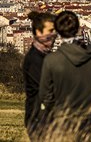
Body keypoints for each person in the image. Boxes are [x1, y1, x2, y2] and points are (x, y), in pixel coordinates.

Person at [39, 11, 91, 141]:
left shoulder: (52, 60)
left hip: (61, 116)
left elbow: (44, 94)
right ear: (78, 29)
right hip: (87, 116)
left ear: (57, 31)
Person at [23, 11, 57, 141]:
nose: (54, 35)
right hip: (40, 120)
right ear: (38, 32)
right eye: (51, 31)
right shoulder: (34, 60)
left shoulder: (44, 56)